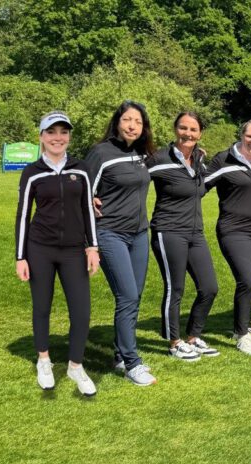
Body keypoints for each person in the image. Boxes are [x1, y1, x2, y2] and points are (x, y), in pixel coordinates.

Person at [15, 111, 100, 396]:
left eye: (63, 132)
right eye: (51, 132)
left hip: (74, 251)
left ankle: (76, 365)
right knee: (42, 307)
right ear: (41, 137)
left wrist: (92, 246)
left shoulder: (81, 169)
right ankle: (44, 360)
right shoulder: (32, 172)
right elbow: (23, 215)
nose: (58, 138)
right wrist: (20, 257)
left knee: (82, 311)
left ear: (69, 137)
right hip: (39, 249)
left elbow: (87, 209)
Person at [85, 101, 157, 386]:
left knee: (134, 296)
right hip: (110, 233)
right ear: (117, 122)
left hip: (139, 235)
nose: (132, 126)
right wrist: (87, 200)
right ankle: (131, 362)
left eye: (138, 122)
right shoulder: (101, 153)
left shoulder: (141, 153)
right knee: (127, 295)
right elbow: (79, 188)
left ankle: (119, 353)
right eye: (127, 120)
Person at [148, 112, 219, 360]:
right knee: (175, 288)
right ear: (175, 129)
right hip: (168, 231)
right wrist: (98, 196)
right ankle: (174, 342)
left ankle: (193, 336)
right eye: (183, 128)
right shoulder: (159, 159)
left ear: (200, 133)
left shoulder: (198, 159)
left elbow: (203, 186)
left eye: (193, 129)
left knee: (209, 287)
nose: (188, 133)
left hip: (195, 233)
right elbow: (131, 178)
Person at [204, 120, 251, 357]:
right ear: (241, 135)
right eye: (250, 136)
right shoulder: (223, 159)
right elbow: (199, 186)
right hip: (234, 230)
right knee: (246, 279)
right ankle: (242, 336)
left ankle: (239, 327)